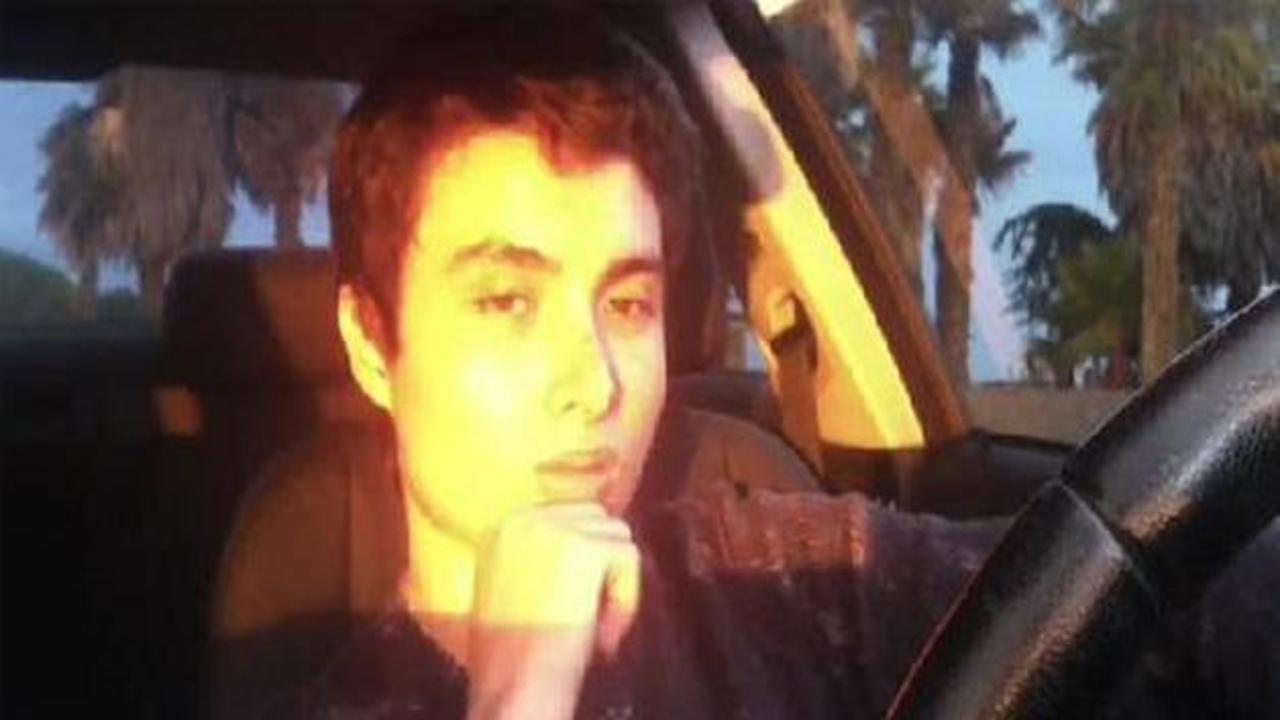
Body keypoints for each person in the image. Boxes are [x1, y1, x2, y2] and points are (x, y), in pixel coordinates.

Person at [261, 4, 1009, 718]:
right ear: (370, 343)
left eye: (627, 305)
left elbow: (1061, 594)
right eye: (506, 302)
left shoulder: (780, 571)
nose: (594, 384)